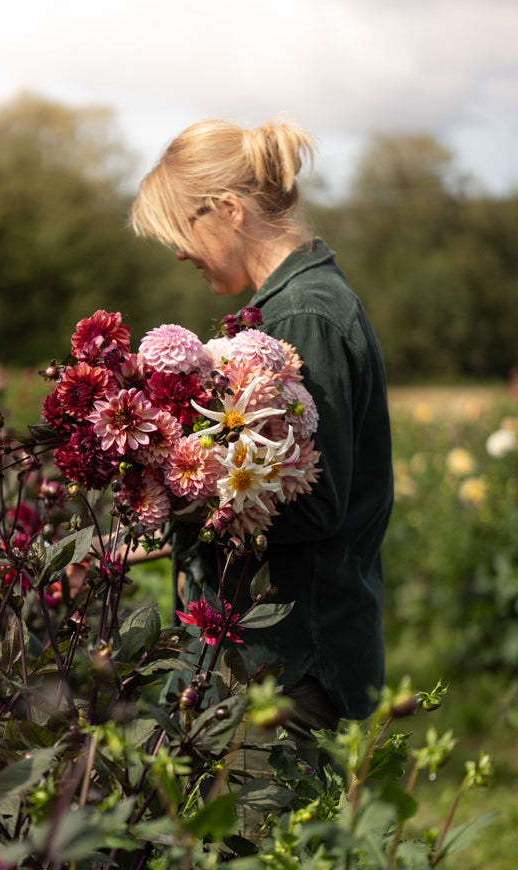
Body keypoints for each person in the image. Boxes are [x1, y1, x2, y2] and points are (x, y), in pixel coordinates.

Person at [129, 118, 394, 772]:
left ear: (228, 210)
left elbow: (313, 500)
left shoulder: (302, 315)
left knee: (255, 866)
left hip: (291, 663)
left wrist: (183, 493)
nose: (179, 254)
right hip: (277, 654)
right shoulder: (289, 306)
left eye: (180, 234)